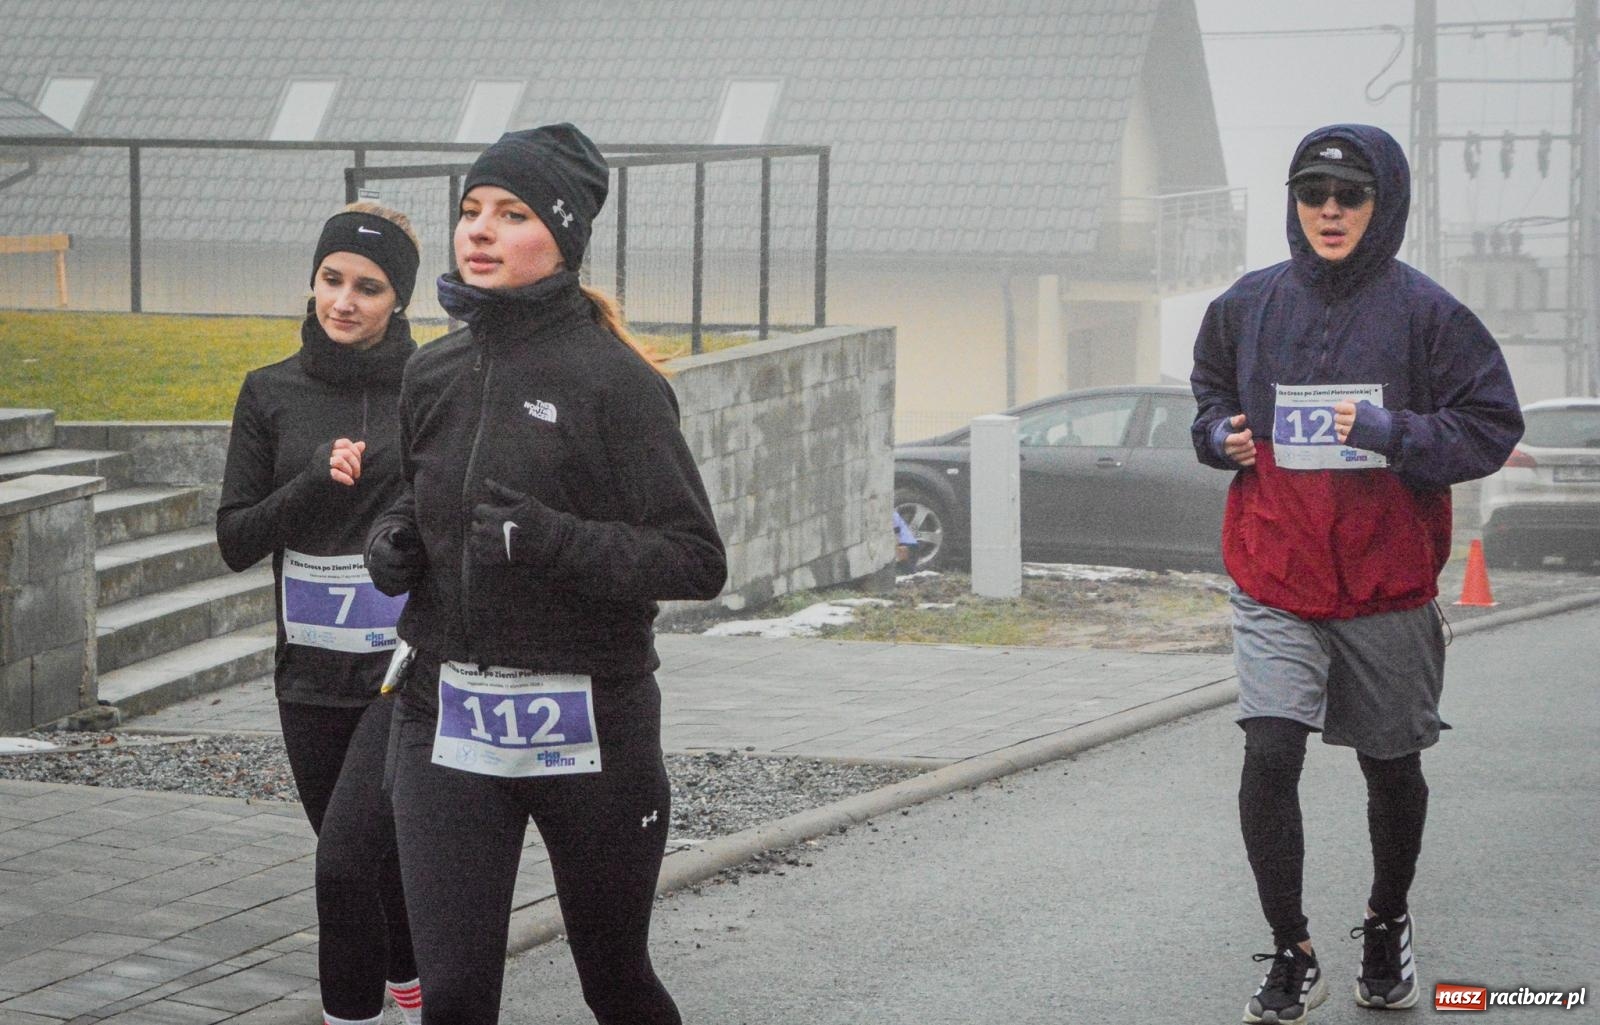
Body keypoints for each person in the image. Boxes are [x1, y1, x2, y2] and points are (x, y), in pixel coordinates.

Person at [364, 123, 727, 1025]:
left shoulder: (617, 382)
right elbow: (416, 498)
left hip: (591, 722)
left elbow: (694, 557)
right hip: (446, 717)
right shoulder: (433, 371)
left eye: (512, 213)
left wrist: (551, 539)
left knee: (616, 982)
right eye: (471, 210)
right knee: (451, 999)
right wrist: (393, 543)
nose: (480, 230)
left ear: (560, 238)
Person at [1190, 124, 1522, 1024]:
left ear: (1385, 205)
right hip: (1275, 574)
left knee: (1392, 769)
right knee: (1269, 752)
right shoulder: (1246, 304)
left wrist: (1390, 433)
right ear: (1293, 203)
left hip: (1386, 584)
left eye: (1350, 195)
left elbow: (1492, 427)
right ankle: (1293, 950)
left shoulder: (1430, 316)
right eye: (1312, 193)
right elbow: (1209, 398)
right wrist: (1217, 437)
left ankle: (1385, 919)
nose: (1329, 210)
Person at [217, 203, 425, 1025]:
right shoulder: (270, 392)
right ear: (312, 279)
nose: (345, 299)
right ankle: (414, 985)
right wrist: (310, 482)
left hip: (401, 673)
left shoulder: (429, 385)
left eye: (368, 287)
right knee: (372, 871)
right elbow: (236, 540)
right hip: (307, 676)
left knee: (342, 867)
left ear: (398, 299)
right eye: (332, 278)